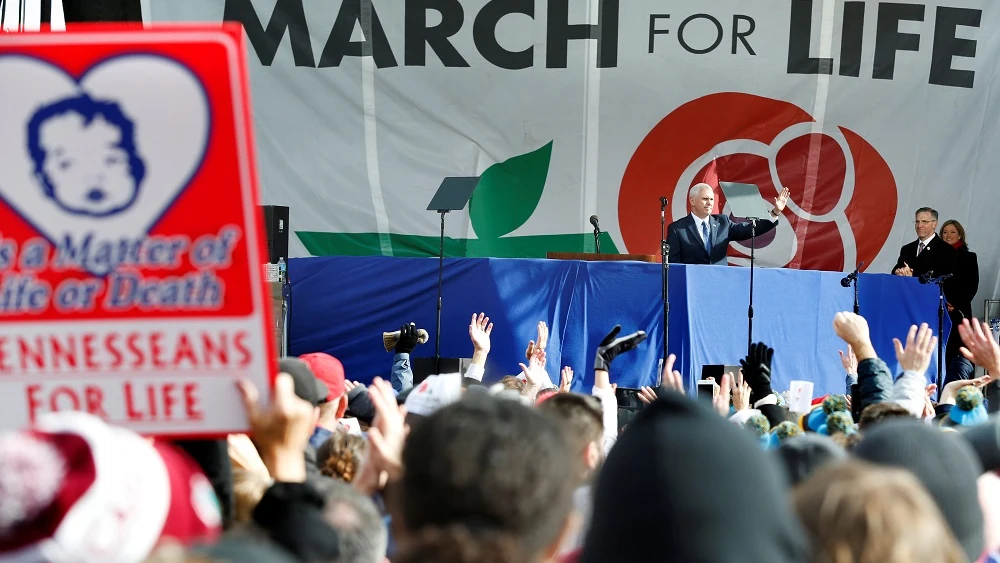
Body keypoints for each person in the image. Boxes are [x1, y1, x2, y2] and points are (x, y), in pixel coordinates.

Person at [667, 183, 790, 265]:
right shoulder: (677, 229)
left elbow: (749, 230)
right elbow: (673, 265)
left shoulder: (722, 222)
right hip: (691, 287)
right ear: (692, 200)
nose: (709, 203)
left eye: (711, 199)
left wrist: (775, 212)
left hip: (720, 284)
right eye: (705, 199)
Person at [941, 219, 980, 383]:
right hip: (939, 311)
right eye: (945, 232)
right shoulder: (936, 257)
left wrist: (954, 303)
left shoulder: (969, 257)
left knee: (960, 352)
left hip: (959, 312)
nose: (948, 235)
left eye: (952, 232)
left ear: (960, 235)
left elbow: (972, 285)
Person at [892, 207, 956, 280]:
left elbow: (943, 280)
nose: (919, 226)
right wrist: (898, 272)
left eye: (924, 221)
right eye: (917, 221)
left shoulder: (946, 250)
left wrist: (912, 277)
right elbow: (896, 270)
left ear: (934, 224)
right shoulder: (907, 249)